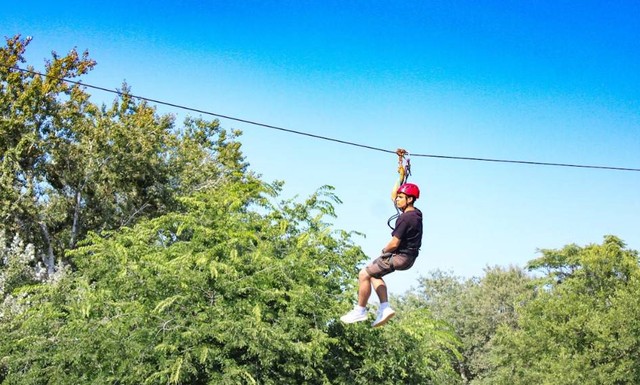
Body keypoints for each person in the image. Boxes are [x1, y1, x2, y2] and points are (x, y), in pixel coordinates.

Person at [340, 183, 423, 327]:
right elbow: (393, 194)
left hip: (400, 256)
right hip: (410, 258)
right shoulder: (416, 214)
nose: (396, 200)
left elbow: (394, 243)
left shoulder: (405, 218)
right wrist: (401, 175)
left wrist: (384, 251)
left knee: (363, 274)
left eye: (400, 197)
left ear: (409, 199)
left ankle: (360, 310)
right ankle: (384, 308)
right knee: (374, 275)